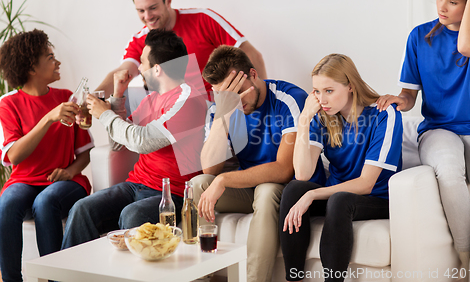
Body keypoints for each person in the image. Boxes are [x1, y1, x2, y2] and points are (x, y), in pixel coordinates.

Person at [377, 0, 470, 282]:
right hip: (438, 129)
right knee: (447, 170)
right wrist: (397, 100)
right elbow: (410, 96)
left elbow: (466, 45)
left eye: (453, 1)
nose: (441, 7)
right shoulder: (419, 37)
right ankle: (465, 255)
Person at [61, 29, 207, 249]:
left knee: (132, 216)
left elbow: (142, 141)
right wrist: (118, 95)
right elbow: (120, 143)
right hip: (136, 184)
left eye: (143, 63)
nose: (139, 69)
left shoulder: (189, 100)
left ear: (157, 69)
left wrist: (105, 113)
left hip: (172, 194)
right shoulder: (152, 99)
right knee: (82, 209)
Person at [192, 45, 321, 282]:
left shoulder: (290, 98)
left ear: (253, 74)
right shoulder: (222, 108)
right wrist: (224, 115)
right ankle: (197, 277)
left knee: (267, 190)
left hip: (289, 190)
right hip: (248, 187)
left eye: (238, 91)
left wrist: (223, 179)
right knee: (198, 185)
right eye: (224, 95)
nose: (235, 100)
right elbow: (209, 170)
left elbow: (283, 170)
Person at [280, 54, 403, 282]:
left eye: (329, 90)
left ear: (350, 87)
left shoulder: (384, 115)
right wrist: (304, 119)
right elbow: (302, 173)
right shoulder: (323, 117)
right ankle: (293, 278)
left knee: (339, 199)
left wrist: (313, 194)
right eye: (316, 91)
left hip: (376, 198)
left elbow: (366, 183)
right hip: (339, 195)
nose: (321, 99)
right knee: (294, 189)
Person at [0, 29, 93, 282]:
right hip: (25, 181)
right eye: (50, 57)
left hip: (67, 182)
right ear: (31, 67)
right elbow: (15, 156)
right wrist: (48, 118)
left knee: (45, 202)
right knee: (6, 203)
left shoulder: (66, 98)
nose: (58, 62)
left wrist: (70, 171)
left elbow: (84, 155)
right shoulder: (8, 103)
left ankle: (55, 279)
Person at [95, 0, 266, 103]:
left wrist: (263, 104)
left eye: (153, 8)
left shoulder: (202, 19)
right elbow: (121, 74)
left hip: (213, 111)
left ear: (168, 1)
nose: (147, 16)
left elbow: (252, 56)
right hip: (171, 118)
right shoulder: (140, 40)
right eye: (140, 11)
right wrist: (90, 100)